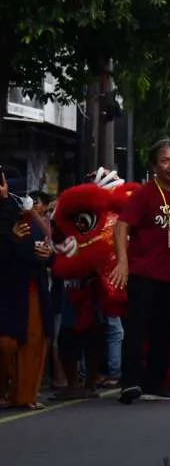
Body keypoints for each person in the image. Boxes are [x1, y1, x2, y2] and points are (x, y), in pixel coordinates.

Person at [110, 139, 170, 404]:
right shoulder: (145, 194)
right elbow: (121, 226)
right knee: (136, 329)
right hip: (143, 273)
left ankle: (154, 383)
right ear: (154, 166)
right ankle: (130, 383)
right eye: (165, 161)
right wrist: (123, 262)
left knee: (163, 330)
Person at [0, 172, 54, 410]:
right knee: (6, 344)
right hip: (6, 290)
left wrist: (47, 255)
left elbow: (50, 248)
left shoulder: (31, 220)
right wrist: (10, 239)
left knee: (32, 342)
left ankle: (24, 395)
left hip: (30, 287)